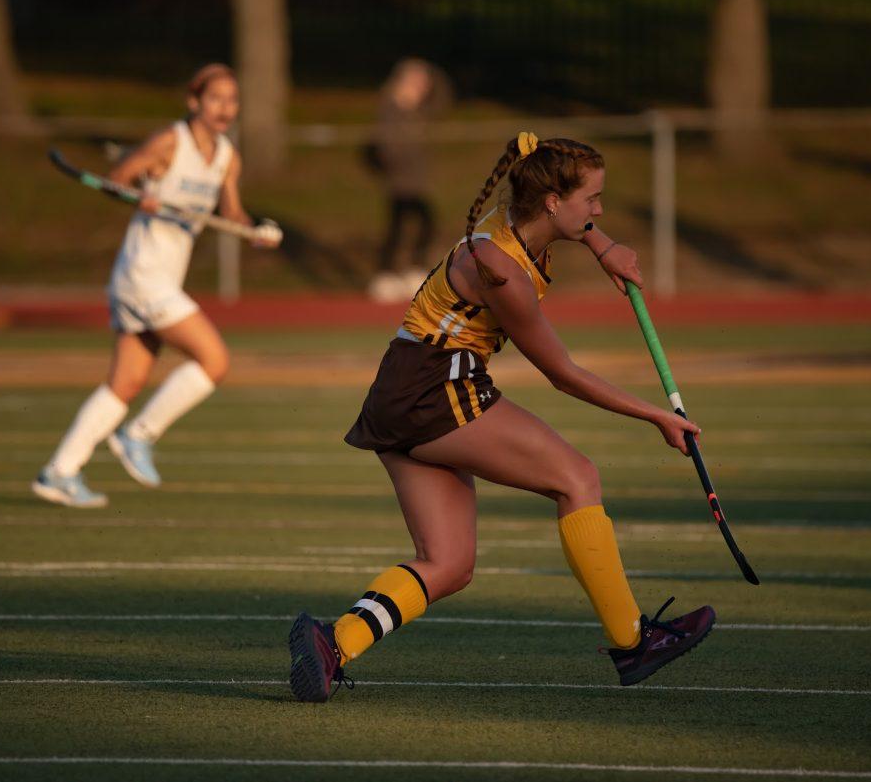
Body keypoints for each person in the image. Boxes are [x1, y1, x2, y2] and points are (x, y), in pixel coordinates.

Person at [288, 132, 715, 703]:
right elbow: (562, 373)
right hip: (435, 386)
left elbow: (574, 216)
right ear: (552, 203)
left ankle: (333, 642)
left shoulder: (518, 214)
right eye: (592, 200)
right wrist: (657, 416)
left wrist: (603, 245)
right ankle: (633, 641)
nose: (600, 210)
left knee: (449, 563)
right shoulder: (500, 270)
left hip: (401, 388)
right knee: (578, 477)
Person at [33, 63, 281, 508]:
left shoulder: (227, 156)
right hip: (141, 273)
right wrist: (136, 194)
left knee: (125, 383)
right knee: (214, 360)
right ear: (194, 102)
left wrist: (256, 230)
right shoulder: (170, 142)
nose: (226, 108)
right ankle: (138, 434)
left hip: (162, 277)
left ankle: (59, 471)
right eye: (216, 99)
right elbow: (118, 179)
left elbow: (233, 215)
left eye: (232, 100)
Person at [366, 58, 451, 303]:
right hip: (398, 179)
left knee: (424, 222)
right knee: (399, 226)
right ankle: (385, 275)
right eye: (416, 81)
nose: (421, 86)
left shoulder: (420, 109)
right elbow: (385, 144)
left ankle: (412, 269)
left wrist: (431, 72)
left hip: (417, 180)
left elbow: (444, 98)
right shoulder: (390, 106)